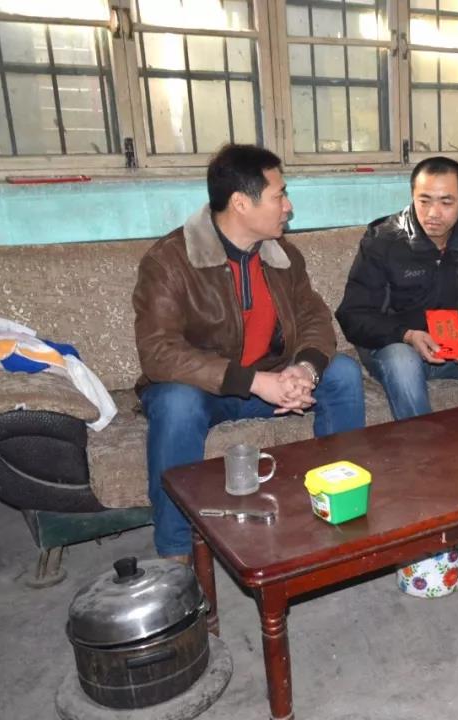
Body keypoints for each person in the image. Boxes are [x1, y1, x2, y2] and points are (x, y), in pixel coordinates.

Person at [134, 144, 365, 563]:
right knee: (175, 404)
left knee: (343, 374)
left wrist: (304, 369)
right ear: (241, 203)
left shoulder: (283, 255)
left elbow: (314, 318)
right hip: (205, 391)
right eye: (280, 195)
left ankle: (340, 506)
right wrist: (256, 382)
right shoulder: (169, 261)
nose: (288, 206)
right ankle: (175, 553)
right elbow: (159, 352)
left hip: (272, 378)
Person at [335, 156, 458, 421]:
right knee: (402, 359)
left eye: (446, 202)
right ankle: (424, 443)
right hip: (398, 347)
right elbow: (353, 315)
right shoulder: (383, 243)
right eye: (424, 201)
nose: (433, 213)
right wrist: (407, 335)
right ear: (412, 197)